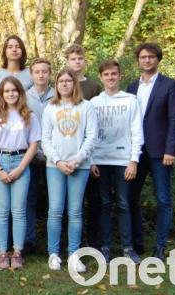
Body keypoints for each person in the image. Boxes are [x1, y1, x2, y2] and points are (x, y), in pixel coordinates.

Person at [126, 42, 175, 260]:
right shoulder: (131, 87)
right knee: (130, 198)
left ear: (158, 59)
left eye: (151, 57)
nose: (147, 60)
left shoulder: (170, 85)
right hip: (136, 154)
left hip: (160, 152)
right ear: (138, 60)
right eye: (143, 57)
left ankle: (160, 247)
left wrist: (171, 150)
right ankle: (137, 244)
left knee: (163, 199)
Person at [41, 68, 97, 272]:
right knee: (55, 210)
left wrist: (77, 160)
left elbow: (91, 136)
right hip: (55, 166)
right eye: (60, 81)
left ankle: (74, 254)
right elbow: (45, 139)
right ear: (56, 85)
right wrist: (58, 161)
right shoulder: (50, 108)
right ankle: (53, 254)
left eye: (68, 81)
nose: (64, 84)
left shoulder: (86, 107)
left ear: (75, 84)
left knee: (75, 211)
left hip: (79, 166)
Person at [0, 76, 40, 271]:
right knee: (1, 211)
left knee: (18, 210)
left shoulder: (29, 115)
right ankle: (3, 254)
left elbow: (34, 144)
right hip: (0, 162)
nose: (10, 94)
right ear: (1, 94)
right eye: (6, 91)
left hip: (20, 162)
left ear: (20, 92)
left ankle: (17, 253)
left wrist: (21, 168)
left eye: (14, 90)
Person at [89, 59, 144, 263]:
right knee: (103, 204)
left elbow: (137, 132)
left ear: (120, 76)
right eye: (106, 75)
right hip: (100, 161)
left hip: (123, 161)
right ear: (101, 78)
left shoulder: (130, 100)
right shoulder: (94, 103)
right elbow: (90, 135)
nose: (110, 78)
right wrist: (91, 161)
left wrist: (134, 161)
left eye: (114, 74)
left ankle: (128, 248)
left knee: (123, 203)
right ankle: (105, 246)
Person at [64, 44, 103, 248]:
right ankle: (65, 242)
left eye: (80, 58)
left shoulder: (93, 87)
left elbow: (95, 128)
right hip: (64, 155)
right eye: (73, 59)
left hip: (87, 156)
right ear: (67, 62)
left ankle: (91, 240)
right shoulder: (62, 85)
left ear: (84, 61)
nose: (77, 62)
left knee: (89, 201)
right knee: (63, 204)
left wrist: (92, 158)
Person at [24, 58, 55, 253]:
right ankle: (29, 240)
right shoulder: (25, 97)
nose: (41, 75)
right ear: (31, 74)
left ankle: (55, 241)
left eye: (44, 71)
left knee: (55, 200)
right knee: (29, 199)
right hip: (31, 155)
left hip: (54, 157)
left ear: (50, 74)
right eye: (37, 71)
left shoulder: (57, 95)